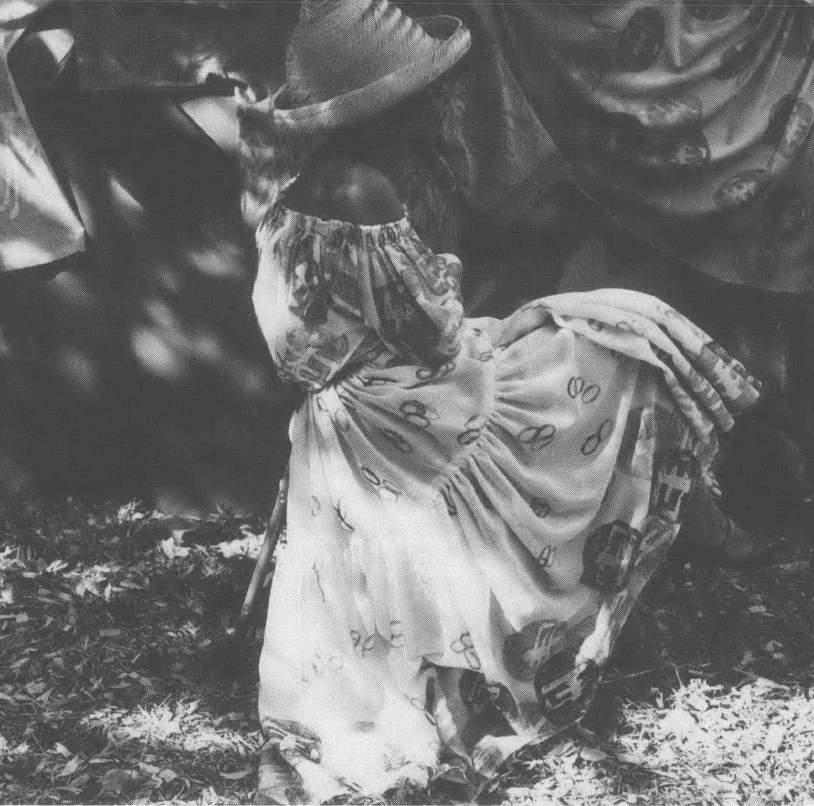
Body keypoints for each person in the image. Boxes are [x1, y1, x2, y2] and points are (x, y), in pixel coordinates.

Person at [239, 0, 766, 801]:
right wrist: (495, 319)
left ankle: (696, 516)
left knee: (584, 324)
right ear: (395, 105)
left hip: (346, 413)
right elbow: (432, 336)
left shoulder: (294, 193)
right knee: (612, 344)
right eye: (431, 92)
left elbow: (312, 333)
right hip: (409, 417)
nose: (447, 102)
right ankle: (606, 567)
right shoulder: (366, 190)